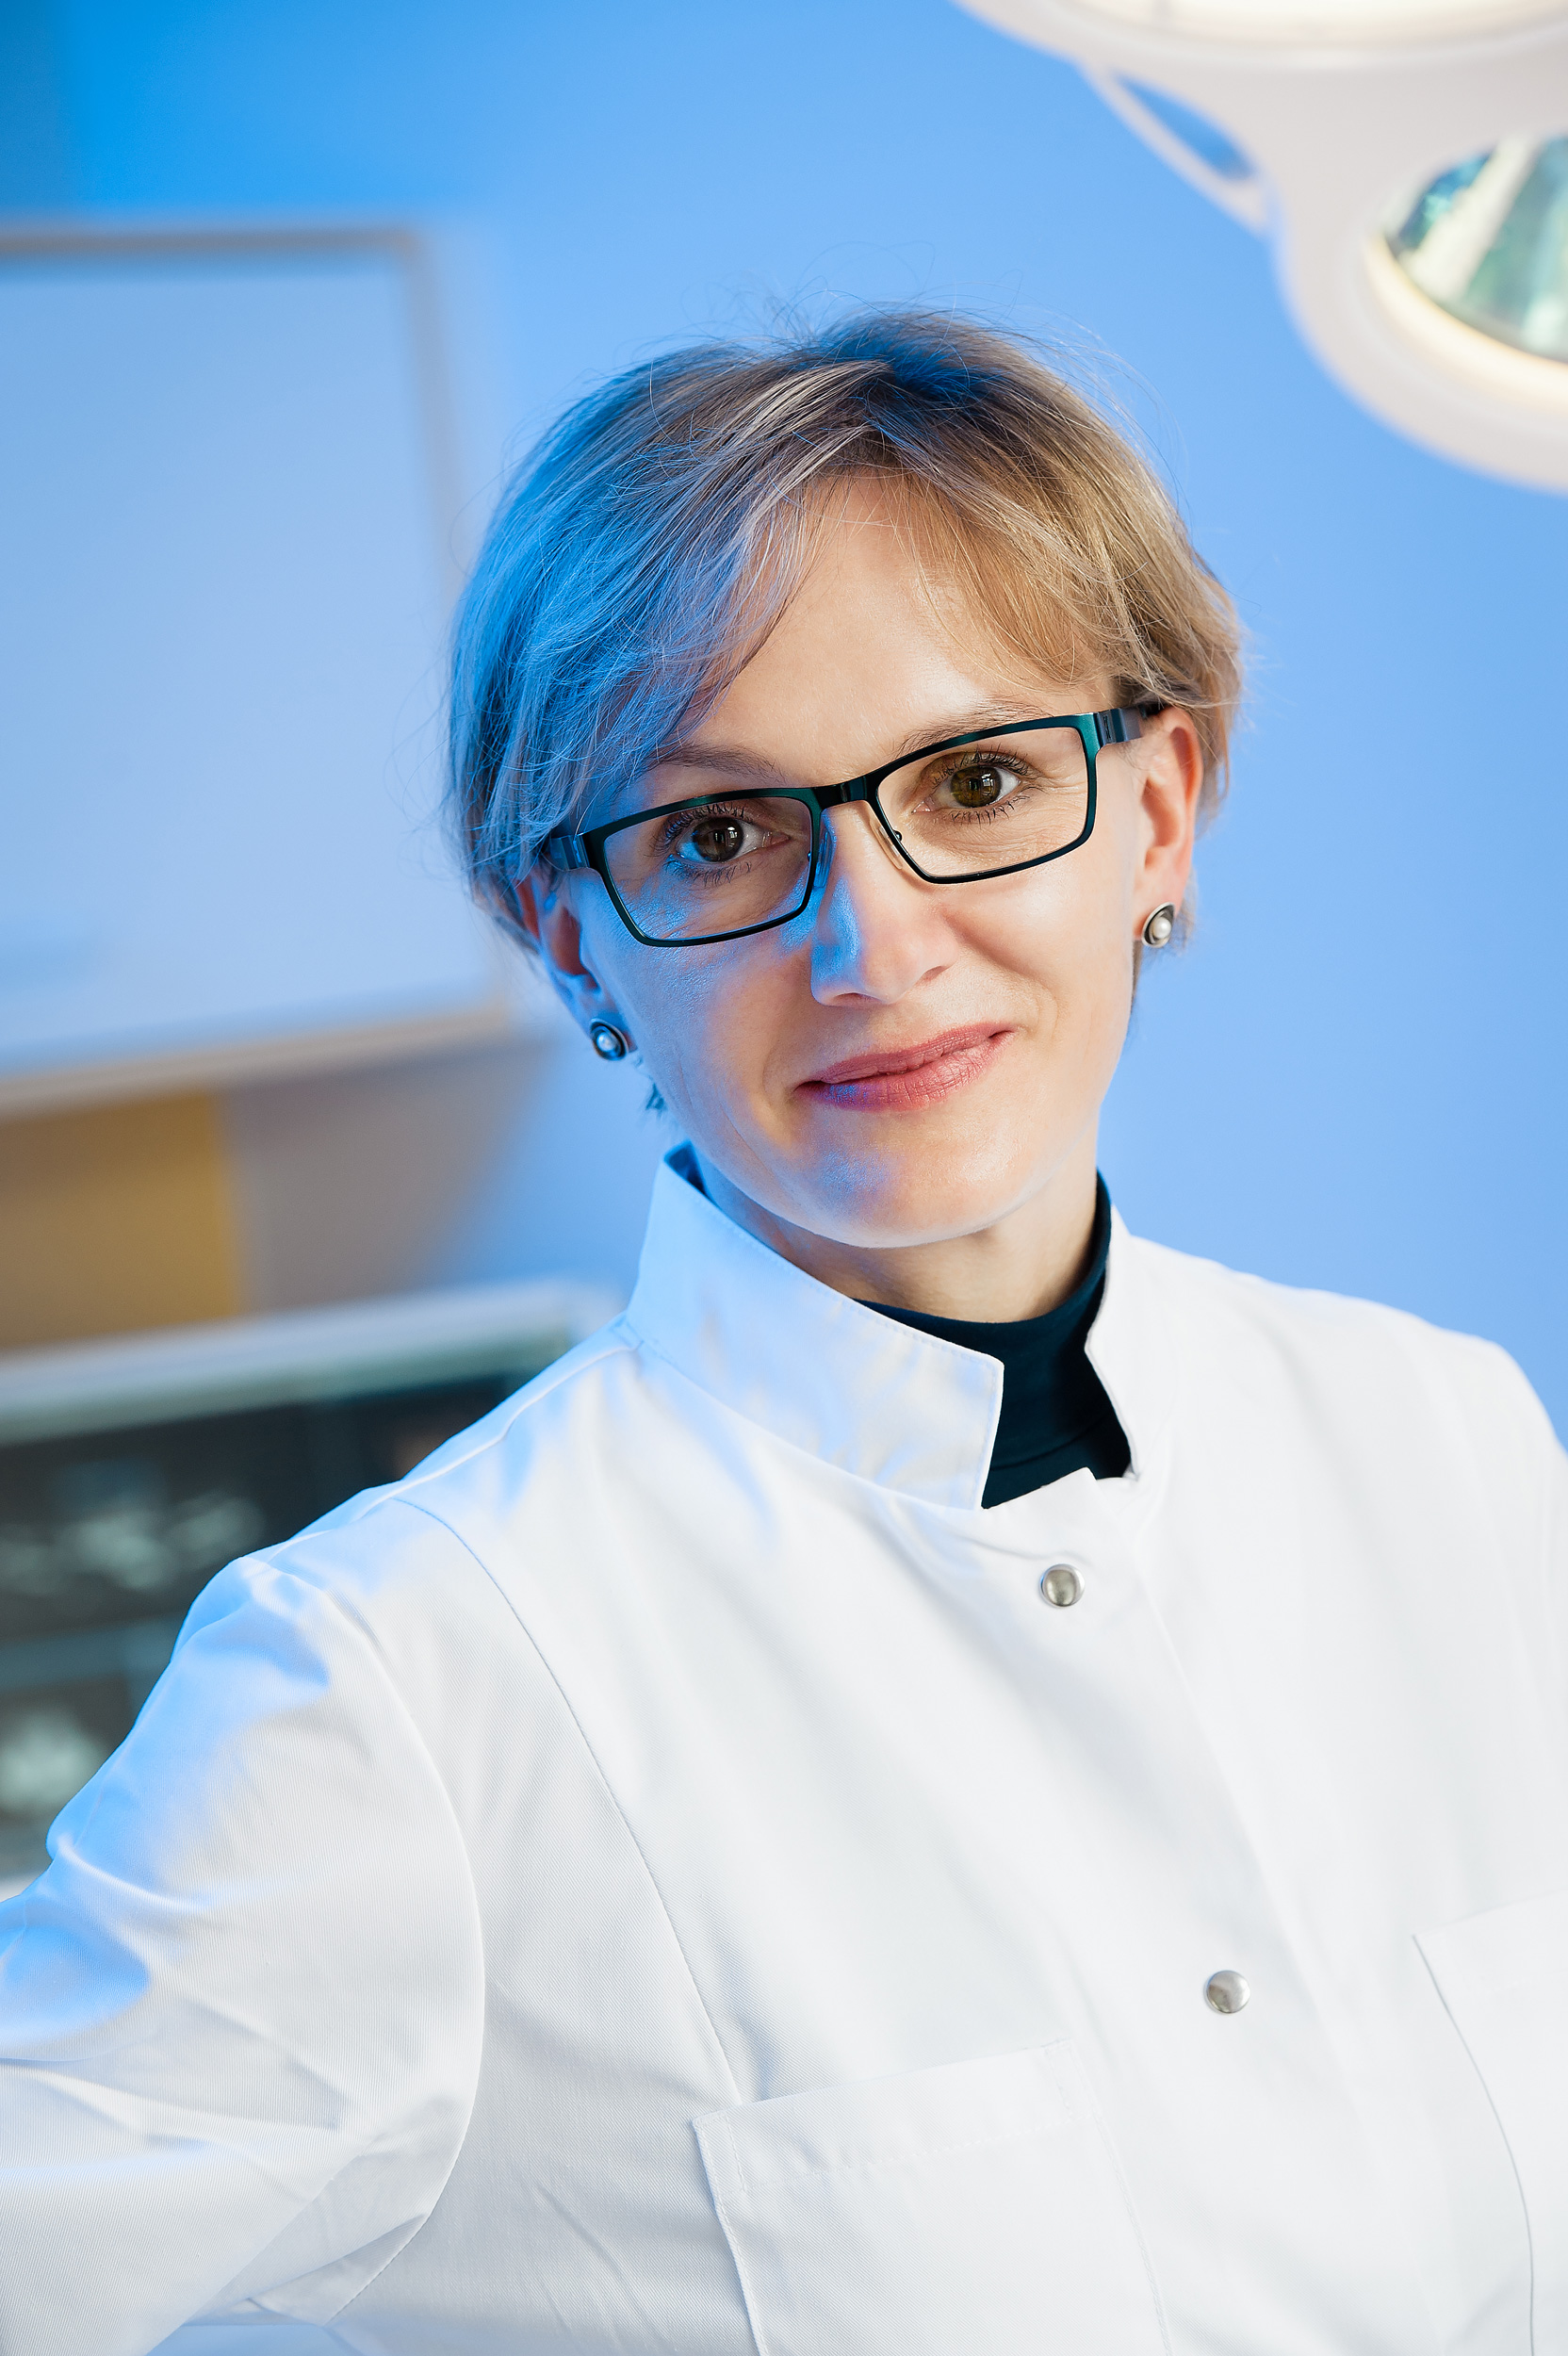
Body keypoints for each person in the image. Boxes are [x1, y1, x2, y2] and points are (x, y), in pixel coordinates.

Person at [2, 310, 1564, 2356]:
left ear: (1160, 811)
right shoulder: (403, 1685)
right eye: (720, 834)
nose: (873, 946)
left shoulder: (1443, 1436)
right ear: (570, 930)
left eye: (981, 781)